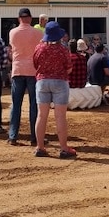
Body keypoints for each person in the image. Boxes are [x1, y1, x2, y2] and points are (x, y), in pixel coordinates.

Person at [32, 21, 76, 158]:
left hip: (42, 82)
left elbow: (35, 64)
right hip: (60, 82)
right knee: (60, 116)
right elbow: (69, 68)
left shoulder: (39, 48)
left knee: (41, 115)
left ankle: (40, 147)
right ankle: (63, 149)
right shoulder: (63, 49)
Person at [8, 8, 42, 146]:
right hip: (33, 70)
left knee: (16, 105)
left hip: (18, 69)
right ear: (30, 18)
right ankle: (34, 136)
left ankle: (13, 136)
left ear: (19, 18)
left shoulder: (13, 32)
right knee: (34, 104)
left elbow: (12, 49)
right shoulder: (38, 33)